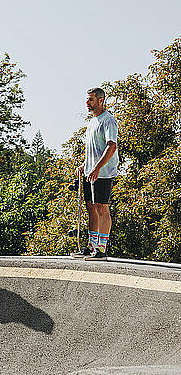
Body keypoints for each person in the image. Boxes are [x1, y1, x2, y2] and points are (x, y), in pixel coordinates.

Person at [73, 87, 118, 259]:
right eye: (87, 99)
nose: (87, 103)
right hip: (90, 171)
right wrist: (85, 165)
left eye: (91, 99)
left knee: (101, 207)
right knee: (91, 207)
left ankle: (101, 249)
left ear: (101, 100)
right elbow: (94, 149)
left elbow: (111, 146)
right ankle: (91, 246)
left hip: (103, 172)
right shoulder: (92, 122)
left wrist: (98, 167)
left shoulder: (109, 121)